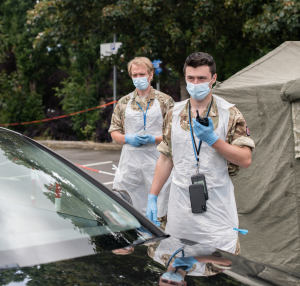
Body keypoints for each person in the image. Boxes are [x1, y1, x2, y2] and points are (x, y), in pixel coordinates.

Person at [146, 52, 255, 253]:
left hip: (216, 208)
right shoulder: (173, 114)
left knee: (217, 268)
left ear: (213, 79)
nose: (196, 83)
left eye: (202, 78)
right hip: (180, 208)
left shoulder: (229, 113)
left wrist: (214, 140)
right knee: (177, 265)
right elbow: (165, 159)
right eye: (191, 78)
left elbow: (245, 159)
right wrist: (152, 196)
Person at [109, 57, 174, 222]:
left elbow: (175, 133)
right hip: (130, 163)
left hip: (158, 161)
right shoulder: (123, 102)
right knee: (127, 206)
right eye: (134, 75)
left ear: (151, 75)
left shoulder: (165, 101)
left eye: (142, 74)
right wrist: (127, 138)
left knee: (160, 206)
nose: (138, 78)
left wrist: (156, 138)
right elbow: (114, 132)